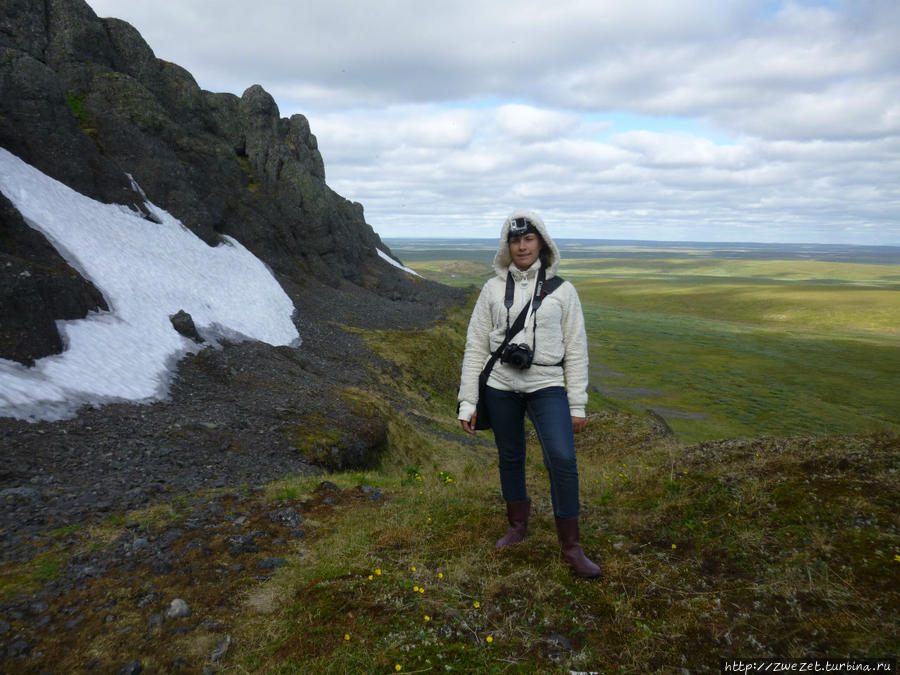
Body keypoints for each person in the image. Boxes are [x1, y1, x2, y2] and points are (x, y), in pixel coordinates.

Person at [457, 209, 601, 578]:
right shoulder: (492, 289)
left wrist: (577, 403)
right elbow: (475, 346)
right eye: (515, 240)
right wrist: (469, 401)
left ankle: (571, 546)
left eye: (529, 239)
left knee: (563, 458)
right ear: (508, 246)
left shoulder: (563, 291)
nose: (522, 246)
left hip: (546, 384)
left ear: (542, 243)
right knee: (510, 456)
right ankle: (517, 527)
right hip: (500, 386)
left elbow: (576, 347)